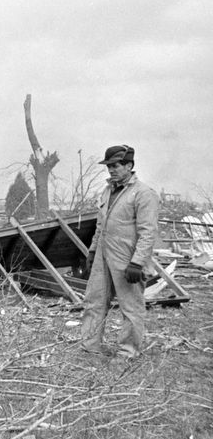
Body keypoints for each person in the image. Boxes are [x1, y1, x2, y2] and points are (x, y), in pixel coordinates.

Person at [80, 145, 159, 359]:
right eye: (109, 166)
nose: (111, 170)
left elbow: (148, 232)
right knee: (94, 300)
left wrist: (137, 263)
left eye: (116, 165)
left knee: (130, 307)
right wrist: (92, 251)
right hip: (102, 257)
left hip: (127, 259)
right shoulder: (108, 191)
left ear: (129, 165)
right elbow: (100, 226)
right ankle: (90, 345)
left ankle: (128, 351)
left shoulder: (143, 194)